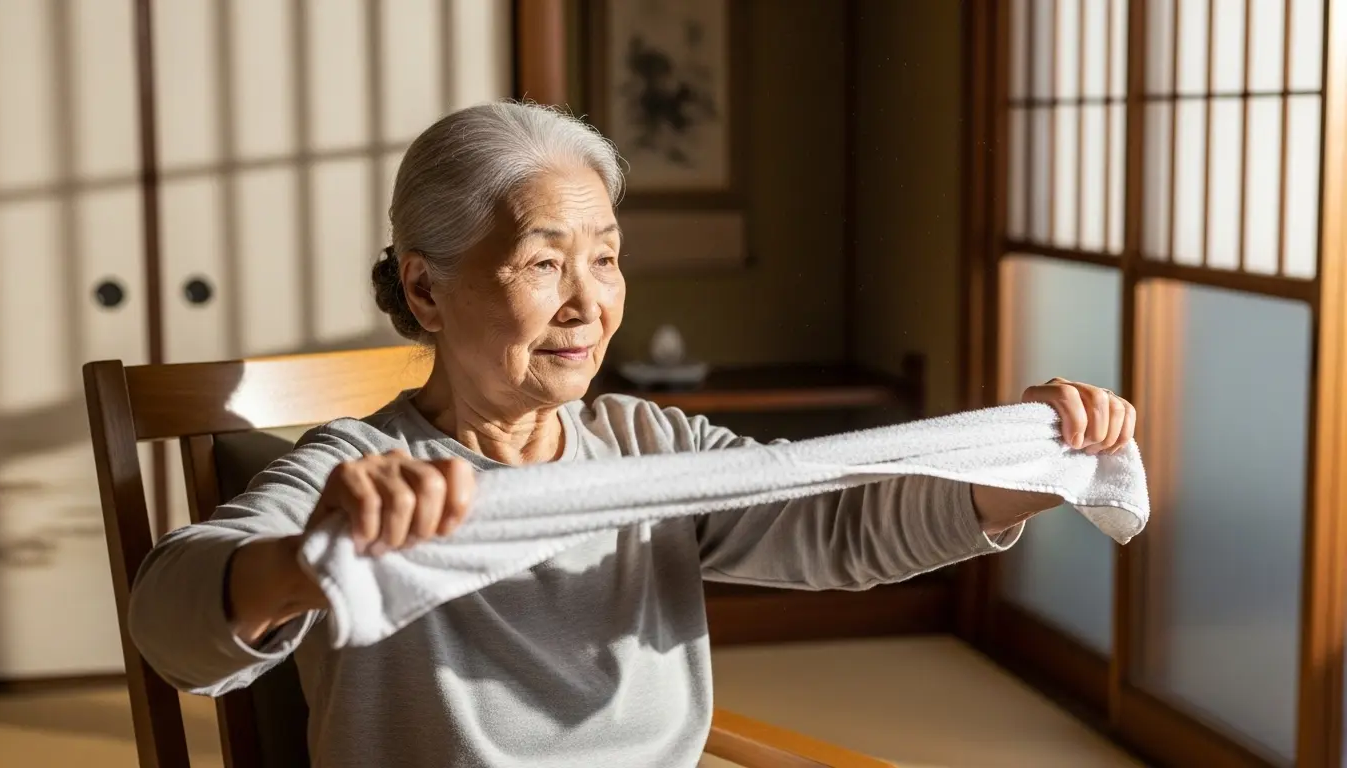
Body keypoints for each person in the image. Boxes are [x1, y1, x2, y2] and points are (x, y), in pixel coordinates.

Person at [128, 101, 1136, 768]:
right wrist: (311, 563)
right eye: (542, 263)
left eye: (605, 260)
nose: (587, 305)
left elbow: (837, 522)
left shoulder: (645, 443)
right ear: (426, 287)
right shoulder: (360, 471)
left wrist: (1033, 463)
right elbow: (172, 619)